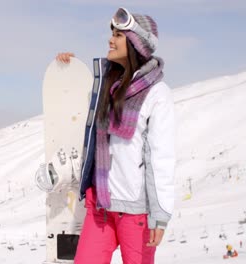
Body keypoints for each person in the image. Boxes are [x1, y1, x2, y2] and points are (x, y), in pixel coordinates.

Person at [56, 7, 175, 264]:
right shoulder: (105, 86)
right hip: (101, 207)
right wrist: (66, 70)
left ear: (136, 44)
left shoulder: (157, 93)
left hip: (136, 212)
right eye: (112, 33)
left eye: (119, 35)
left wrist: (160, 214)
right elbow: (79, 116)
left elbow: (161, 157)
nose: (111, 39)